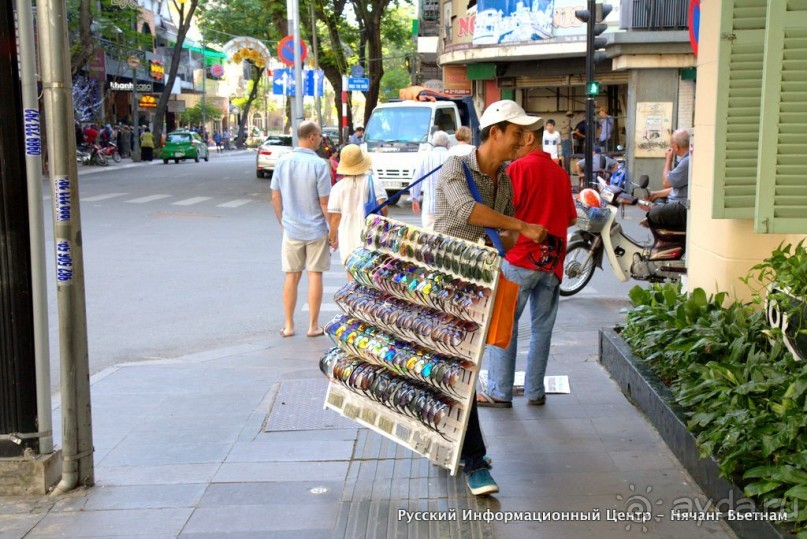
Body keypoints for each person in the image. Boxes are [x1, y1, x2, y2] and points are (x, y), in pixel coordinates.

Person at [433, 99, 547, 497]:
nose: (522, 141)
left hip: (482, 283)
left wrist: (527, 235)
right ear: (494, 132)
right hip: (446, 283)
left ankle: (449, 438)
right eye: (517, 133)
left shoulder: (506, 179)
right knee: (461, 370)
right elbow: (468, 212)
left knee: (459, 369)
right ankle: (475, 459)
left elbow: (508, 236)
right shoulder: (455, 165)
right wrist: (520, 226)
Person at [481, 122, 577, 410]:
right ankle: (535, 391)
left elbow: (500, 215)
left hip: (520, 258)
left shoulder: (517, 170)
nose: (515, 145)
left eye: (518, 137)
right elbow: (571, 219)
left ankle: (500, 391)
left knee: (505, 327)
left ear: (530, 137)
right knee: (542, 329)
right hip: (553, 262)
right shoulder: (560, 174)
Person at [270, 121, 332, 338]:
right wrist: (332, 230)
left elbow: (275, 196)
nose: (321, 140)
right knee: (315, 274)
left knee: (291, 276)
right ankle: (313, 326)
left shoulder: (283, 161)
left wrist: (282, 221)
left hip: (291, 229)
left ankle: (288, 326)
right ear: (312, 137)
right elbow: (325, 203)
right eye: (320, 136)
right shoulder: (320, 165)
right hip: (316, 229)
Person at [327, 144, 388, 276]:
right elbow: (383, 208)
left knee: (351, 274)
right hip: (372, 236)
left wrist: (332, 237)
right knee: (372, 276)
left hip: (348, 237)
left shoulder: (337, 188)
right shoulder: (373, 181)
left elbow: (335, 217)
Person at [644, 129, 690, 230]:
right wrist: (656, 194)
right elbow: (677, 187)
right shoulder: (685, 160)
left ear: (676, 147)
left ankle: (652, 213)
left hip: (682, 205)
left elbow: (666, 182)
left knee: (655, 211)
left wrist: (668, 160)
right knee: (657, 200)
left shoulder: (687, 162)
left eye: (672, 145)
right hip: (675, 199)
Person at [411, 131, 452, 229]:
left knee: (428, 239)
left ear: (434, 143)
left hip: (429, 208)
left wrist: (415, 198)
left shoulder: (426, 157)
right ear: (447, 144)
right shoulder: (451, 157)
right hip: (447, 209)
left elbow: (416, 180)